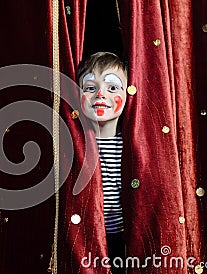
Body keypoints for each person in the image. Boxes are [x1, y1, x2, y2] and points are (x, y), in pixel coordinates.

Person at [77, 51, 128, 273]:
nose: (100, 94)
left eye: (112, 87)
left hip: (122, 240)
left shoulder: (134, 146)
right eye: (90, 87)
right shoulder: (74, 146)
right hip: (84, 240)